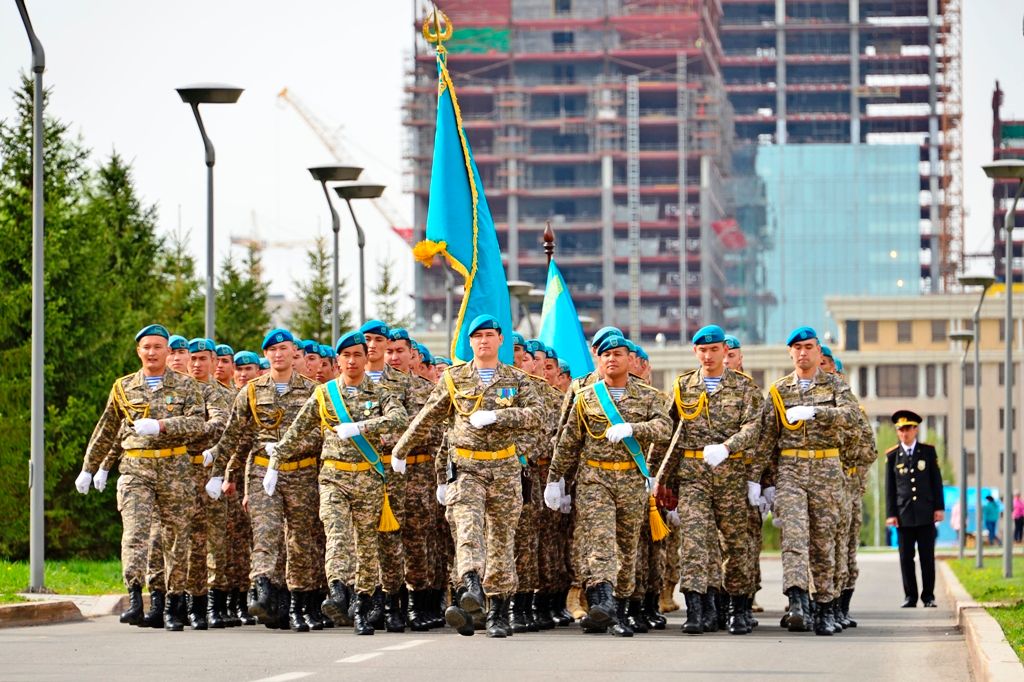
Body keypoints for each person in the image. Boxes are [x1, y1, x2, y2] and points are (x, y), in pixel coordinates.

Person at [394, 314, 542, 638]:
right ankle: (471, 586)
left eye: (490, 334)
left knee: (502, 541)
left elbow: (537, 415)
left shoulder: (517, 380)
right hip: (467, 469)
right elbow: (427, 416)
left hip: (504, 469)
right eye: (478, 336)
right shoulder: (454, 378)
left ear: (500, 340)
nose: (484, 341)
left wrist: (498, 416)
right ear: (470, 342)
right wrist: (400, 449)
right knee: (468, 528)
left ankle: (499, 612)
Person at [75, 324, 206, 631]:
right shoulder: (124, 387)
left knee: (176, 538)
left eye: (158, 347)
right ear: (138, 351)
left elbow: (198, 424)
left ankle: (174, 604)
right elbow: (107, 427)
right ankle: (136, 597)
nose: (152, 352)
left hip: (174, 468)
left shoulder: (187, 386)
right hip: (136, 468)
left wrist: (161, 427)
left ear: (168, 351)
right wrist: (89, 466)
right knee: (135, 533)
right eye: (146, 347)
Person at [547, 334, 673, 637]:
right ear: (598, 360)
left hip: (631, 479)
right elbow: (569, 442)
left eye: (617, 354)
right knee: (600, 542)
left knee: (627, 547)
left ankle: (617, 607)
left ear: (629, 359)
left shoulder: (648, 396)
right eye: (605, 355)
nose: (611, 359)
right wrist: (555, 479)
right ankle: (602, 602)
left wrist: (634, 428)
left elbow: (665, 428)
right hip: (595, 479)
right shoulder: (586, 397)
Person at [655, 325, 763, 636]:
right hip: (693, 475)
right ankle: (698, 609)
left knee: (736, 543)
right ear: (695, 352)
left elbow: (754, 427)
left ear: (724, 352)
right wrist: (659, 477)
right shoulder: (684, 386)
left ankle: (739, 608)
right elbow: (670, 434)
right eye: (702, 350)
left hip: (730, 474)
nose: (708, 355)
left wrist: (728, 447)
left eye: (714, 350)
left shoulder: (744, 388)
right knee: (694, 542)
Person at [756, 326, 858, 636]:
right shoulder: (778, 390)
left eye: (809, 347)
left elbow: (852, 416)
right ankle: (798, 600)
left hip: (827, 469)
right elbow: (767, 439)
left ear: (818, 352)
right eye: (797, 347)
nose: (803, 352)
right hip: (791, 469)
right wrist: (761, 482)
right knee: (794, 539)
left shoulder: (835, 386)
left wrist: (816, 412)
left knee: (823, 542)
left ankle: (825, 606)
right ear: (790, 352)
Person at [885, 410, 944, 608]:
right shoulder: (893, 456)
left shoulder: (927, 452)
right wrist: (891, 514)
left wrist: (939, 508)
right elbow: (890, 488)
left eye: (908, 429)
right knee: (905, 558)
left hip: (926, 513)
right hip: (903, 515)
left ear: (915, 429)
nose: (904, 433)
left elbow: (936, 482)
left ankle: (928, 596)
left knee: (927, 557)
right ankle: (910, 596)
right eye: (901, 430)